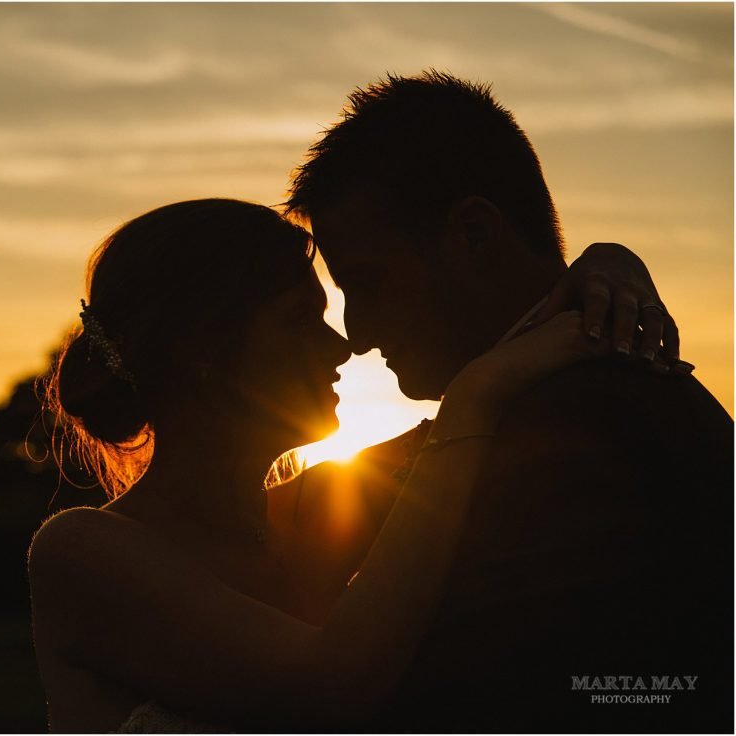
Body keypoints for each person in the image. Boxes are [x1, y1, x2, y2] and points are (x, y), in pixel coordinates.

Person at [27, 198, 681, 732]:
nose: (341, 345)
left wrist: (607, 266)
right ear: (208, 355)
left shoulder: (324, 507)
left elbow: (490, 413)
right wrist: (478, 389)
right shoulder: (83, 554)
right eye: (297, 323)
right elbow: (326, 685)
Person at [284, 70, 733, 731]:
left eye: (367, 284)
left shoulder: (575, 436)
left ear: (473, 234)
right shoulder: (506, 418)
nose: (355, 335)